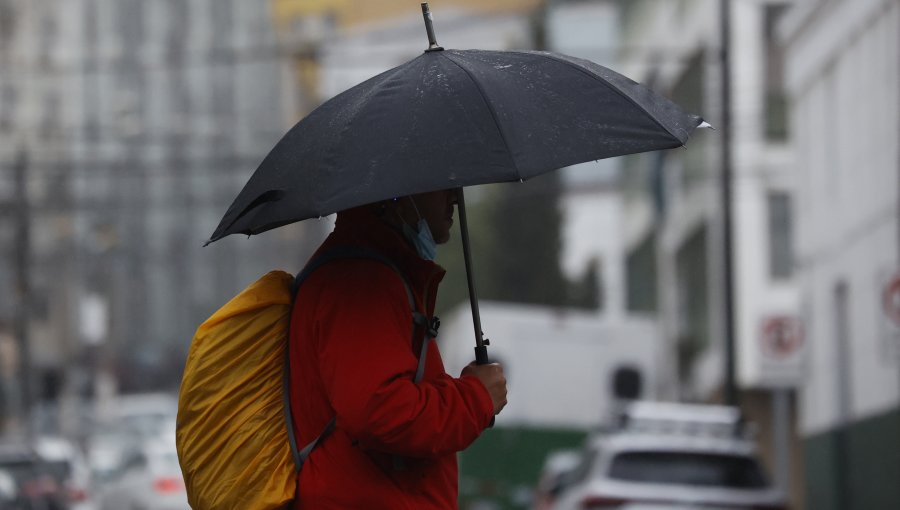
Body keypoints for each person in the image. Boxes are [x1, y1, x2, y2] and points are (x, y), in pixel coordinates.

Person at [288, 188, 508, 509]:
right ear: (400, 197)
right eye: (443, 187)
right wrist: (476, 397)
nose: (455, 199)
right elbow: (381, 412)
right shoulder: (361, 280)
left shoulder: (377, 270)